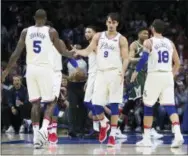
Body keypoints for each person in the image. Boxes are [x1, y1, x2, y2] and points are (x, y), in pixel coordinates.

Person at [2, 9, 74, 149]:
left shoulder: (25, 31)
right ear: (46, 18)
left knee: (35, 103)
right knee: (52, 101)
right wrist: (71, 54)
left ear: (34, 18)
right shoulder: (51, 31)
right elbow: (61, 51)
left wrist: (6, 72)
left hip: (31, 70)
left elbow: (16, 53)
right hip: (45, 69)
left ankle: (36, 137)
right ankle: (43, 130)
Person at [71, 13, 129, 147]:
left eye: (113, 22)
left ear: (117, 24)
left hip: (115, 73)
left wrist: (123, 72)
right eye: (109, 22)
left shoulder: (121, 39)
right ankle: (104, 123)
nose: (111, 24)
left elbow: (126, 58)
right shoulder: (98, 36)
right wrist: (78, 52)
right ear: (106, 23)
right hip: (101, 73)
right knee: (96, 104)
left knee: (114, 104)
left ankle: (113, 135)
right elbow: (87, 51)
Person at [131, 19, 184, 148]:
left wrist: (136, 72)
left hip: (154, 75)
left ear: (152, 29)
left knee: (148, 106)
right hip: (167, 75)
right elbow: (177, 63)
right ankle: (178, 135)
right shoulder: (170, 43)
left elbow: (144, 58)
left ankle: (147, 139)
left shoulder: (149, 41)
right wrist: (171, 75)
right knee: (170, 106)